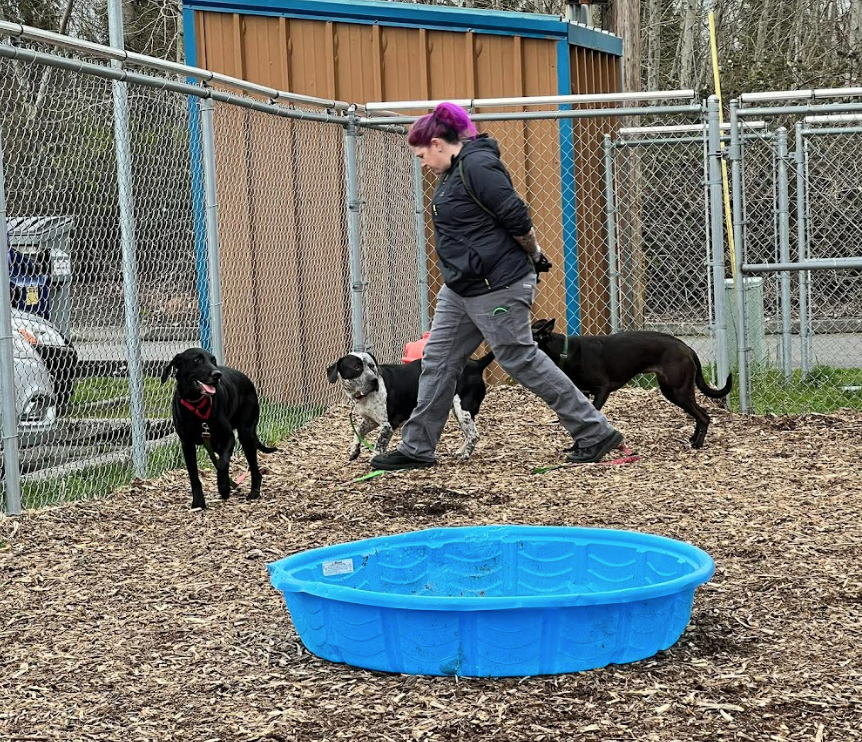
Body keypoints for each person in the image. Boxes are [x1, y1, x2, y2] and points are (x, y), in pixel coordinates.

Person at [369, 102, 623, 470]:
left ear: (438, 143)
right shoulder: (454, 171)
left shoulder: (477, 166)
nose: (422, 162)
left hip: (497, 285)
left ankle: (594, 431)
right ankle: (417, 448)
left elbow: (517, 217)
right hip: (461, 288)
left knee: (520, 358)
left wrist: (535, 255)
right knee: (437, 363)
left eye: (422, 154)